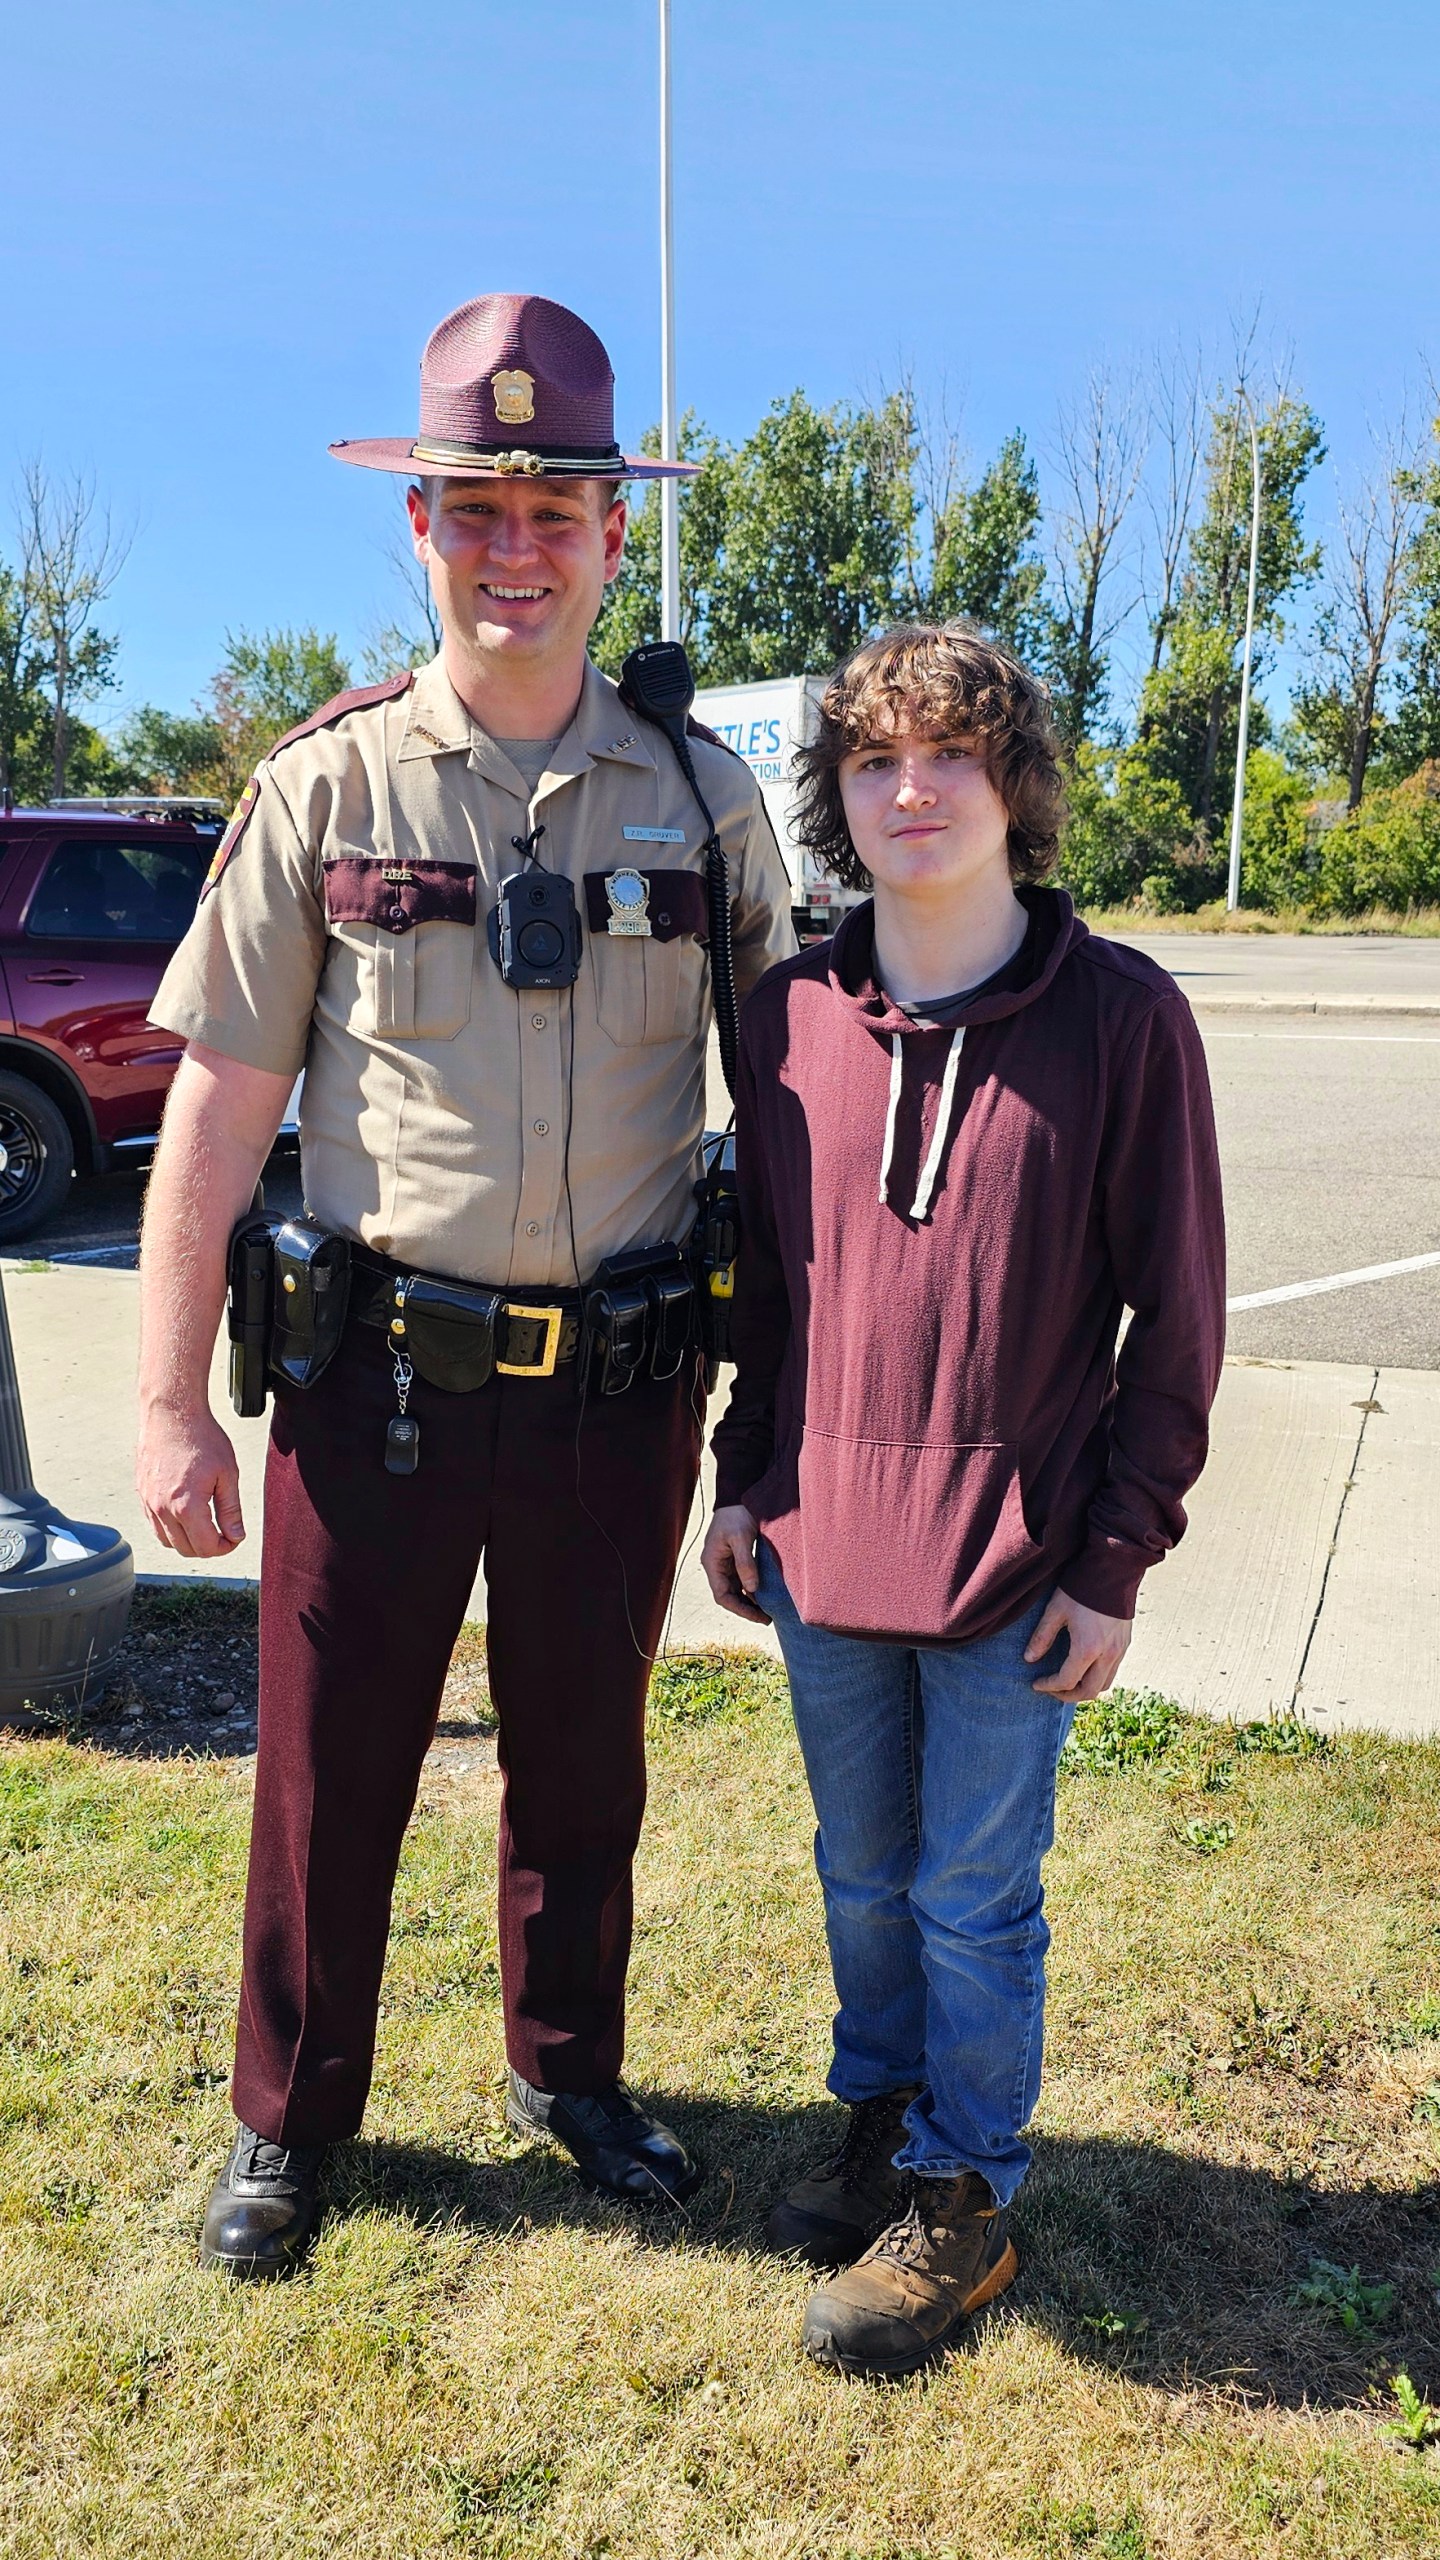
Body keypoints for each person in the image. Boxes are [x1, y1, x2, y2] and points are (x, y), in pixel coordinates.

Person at [137, 293, 795, 2278]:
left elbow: (791, 1132)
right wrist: (173, 1401)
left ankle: (568, 2068)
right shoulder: (322, 794)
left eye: (558, 509)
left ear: (613, 535)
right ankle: (293, 2112)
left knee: (585, 1754)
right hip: (378, 1381)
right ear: (418, 527)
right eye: (478, 506)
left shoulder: (707, 804)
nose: (518, 547)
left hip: (616, 1383)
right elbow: (213, 1115)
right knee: (329, 1770)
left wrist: (781, 1424)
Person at [701, 623, 1225, 2379]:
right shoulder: (787, 1019)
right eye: (874, 759)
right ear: (838, 795)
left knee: (973, 1894)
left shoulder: (1124, 1018)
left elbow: (1181, 1311)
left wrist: (1117, 1555)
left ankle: (966, 2191)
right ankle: (885, 2118)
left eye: (950, 755)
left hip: (1018, 1567)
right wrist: (740, 1485)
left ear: (1014, 789)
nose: (910, 787)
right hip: (826, 1546)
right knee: (864, 1876)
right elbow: (769, 1289)